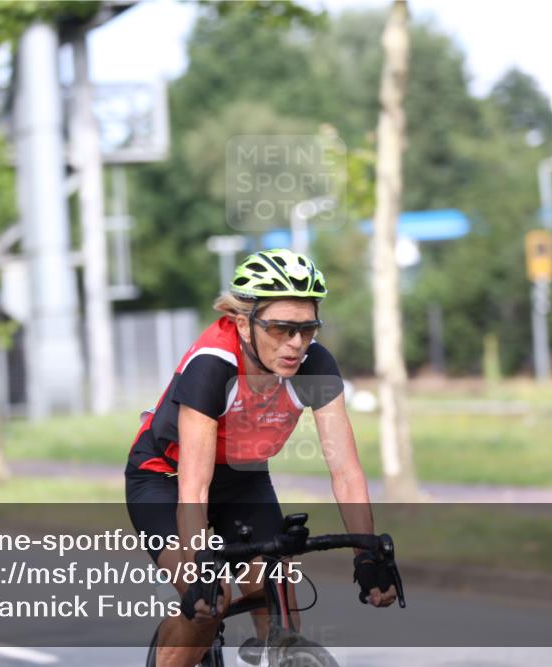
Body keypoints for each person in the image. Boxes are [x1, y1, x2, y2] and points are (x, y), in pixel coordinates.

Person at [124, 249, 396, 667]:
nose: (295, 344)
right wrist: (199, 572)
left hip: (243, 478)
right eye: (281, 329)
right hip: (166, 477)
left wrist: (367, 555)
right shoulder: (212, 366)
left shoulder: (315, 365)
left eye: (307, 330)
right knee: (208, 605)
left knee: (279, 597)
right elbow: (193, 488)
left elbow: (344, 469)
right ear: (242, 324)